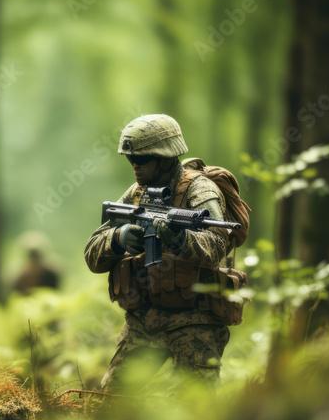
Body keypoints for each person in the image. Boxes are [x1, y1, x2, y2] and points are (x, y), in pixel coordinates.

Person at [84, 114, 235, 391]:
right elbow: (92, 254)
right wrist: (119, 238)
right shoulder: (136, 194)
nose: (134, 166)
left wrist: (180, 239)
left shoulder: (201, 191)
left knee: (194, 406)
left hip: (195, 322)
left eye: (141, 159)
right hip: (143, 321)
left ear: (166, 158)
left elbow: (217, 247)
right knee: (108, 404)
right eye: (131, 159)